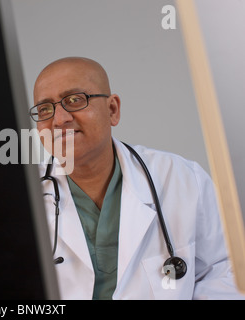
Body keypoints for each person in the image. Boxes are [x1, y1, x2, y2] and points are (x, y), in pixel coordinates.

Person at [30, 56, 245, 300]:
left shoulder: (182, 179)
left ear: (112, 109)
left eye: (75, 100)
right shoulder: (19, 199)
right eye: (45, 109)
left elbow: (225, 270)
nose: (59, 119)